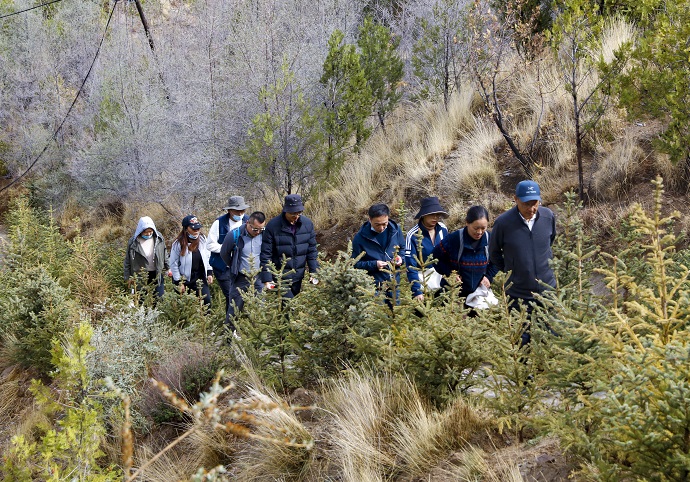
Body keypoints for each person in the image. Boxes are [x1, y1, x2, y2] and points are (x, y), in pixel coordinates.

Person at [489, 180, 556, 344]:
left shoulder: (548, 217)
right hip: (518, 294)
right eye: (526, 204)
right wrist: (512, 272)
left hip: (547, 291)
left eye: (535, 203)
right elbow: (494, 253)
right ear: (515, 199)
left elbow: (550, 242)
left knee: (550, 338)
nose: (531, 209)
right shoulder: (503, 223)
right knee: (522, 342)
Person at [432, 205, 499, 311]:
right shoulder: (454, 239)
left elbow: (497, 260)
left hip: (478, 294)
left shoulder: (490, 240)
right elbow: (434, 258)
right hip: (453, 293)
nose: (479, 232)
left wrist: (488, 277)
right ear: (467, 223)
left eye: (483, 228)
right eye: (476, 228)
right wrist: (450, 274)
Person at [260, 194, 319, 298]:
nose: (296, 216)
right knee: (288, 303)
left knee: (295, 303)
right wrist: (267, 278)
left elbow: (312, 251)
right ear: (285, 211)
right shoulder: (273, 226)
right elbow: (266, 254)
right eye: (293, 213)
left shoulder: (307, 224)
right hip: (280, 276)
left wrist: (314, 271)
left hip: (298, 275)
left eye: (298, 213)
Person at [220, 211, 267, 330]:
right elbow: (224, 253)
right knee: (234, 309)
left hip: (258, 277)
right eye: (255, 229)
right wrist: (233, 266)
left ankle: (258, 335)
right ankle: (228, 336)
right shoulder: (234, 235)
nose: (258, 232)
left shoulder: (265, 235)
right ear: (247, 223)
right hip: (240, 277)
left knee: (261, 307)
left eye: (261, 229)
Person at [352, 203, 405, 305]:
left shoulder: (395, 230)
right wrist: (374, 264)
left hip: (394, 284)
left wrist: (401, 258)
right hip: (374, 287)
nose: (381, 228)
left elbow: (403, 249)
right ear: (370, 219)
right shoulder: (360, 238)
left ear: (388, 218)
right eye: (377, 224)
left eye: (384, 224)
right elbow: (355, 263)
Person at [207, 196, 250, 319]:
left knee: (240, 297)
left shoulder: (248, 222)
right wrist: (227, 248)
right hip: (223, 266)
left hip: (242, 267)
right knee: (231, 296)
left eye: (242, 211)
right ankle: (230, 324)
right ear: (230, 210)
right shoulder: (219, 223)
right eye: (237, 211)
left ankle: (236, 322)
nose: (240, 214)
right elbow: (210, 244)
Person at [405, 196, 449, 301]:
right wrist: (417, 291)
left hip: (442, 280)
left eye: (437, 215)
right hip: (423, 281)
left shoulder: (443, 229)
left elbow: (449, 254)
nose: (435, 218)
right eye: (432, 215)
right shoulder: (412, 235)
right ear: (424, 215)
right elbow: (411, 265)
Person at [169, 215, 214, 306]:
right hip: (184, 279)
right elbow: (173, 264)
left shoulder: (203, 239)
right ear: (186, 229)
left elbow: (207, 257)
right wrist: (179, 282)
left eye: (198, 228)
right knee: (184, 306)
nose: (196, 230)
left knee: (206, 302)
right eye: (193, 229)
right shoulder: (178, 244)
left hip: (200, 278)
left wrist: (209, 272)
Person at [124, 216, 167, 298]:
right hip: (140, 275)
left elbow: (164, 253)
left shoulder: (159, 238)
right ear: (140, 231)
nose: (148, 234)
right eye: (145, 232)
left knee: (159, 298)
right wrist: (128, 277)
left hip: (157, 273)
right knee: (141, 299)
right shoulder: (133, 242)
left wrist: (168, 268)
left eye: (150, 231)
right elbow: (127, 260)